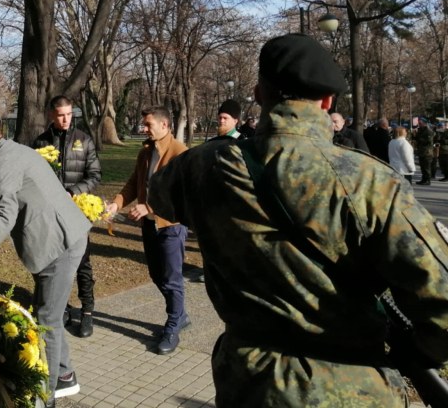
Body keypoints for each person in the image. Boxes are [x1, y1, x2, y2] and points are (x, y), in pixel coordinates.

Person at [149, 33, 448, 407]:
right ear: (327, 101)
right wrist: (418, 355)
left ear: (259, 94)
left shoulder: (201, 166)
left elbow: (158, 196)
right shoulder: (370, 181)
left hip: (247, 382)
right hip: (353, 386)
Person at [0, 112, 91, 408]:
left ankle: (46, 397)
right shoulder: (14, 151)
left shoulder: (5, 163)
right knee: (47, 310)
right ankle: (64, 374)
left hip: (60, 245)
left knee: (47, 320)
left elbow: (5, 217)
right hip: (60, 238)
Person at [106, 106, 190, 356]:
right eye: (144, 124)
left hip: (171, 225)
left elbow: (181, 193)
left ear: (165, 126)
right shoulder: (145, 151)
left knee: (172, 278)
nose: (144, 128)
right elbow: (134, 183)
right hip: (149, 225)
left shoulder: (180, 153)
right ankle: (180, 313)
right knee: (156, 275)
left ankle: (173, 324)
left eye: (148, 125)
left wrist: (149, 207)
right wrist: (117, 202)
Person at [33, 95, 101, 338]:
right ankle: (57, 308)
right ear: (52, 114)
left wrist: (73, 192)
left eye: (69, 114)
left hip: (77, 213)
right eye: (61, 114)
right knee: (49, 261)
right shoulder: (40, 143)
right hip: (49, 216)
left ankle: (88, 312)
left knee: (82, 263)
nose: (65, 119)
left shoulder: (84, 140)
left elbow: (94, 175)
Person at [415, 118, 436, 185]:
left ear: (424, 123)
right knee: (422, 167)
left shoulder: (429, 131)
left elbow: (429, 141)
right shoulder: (420, 130)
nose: (419, 124)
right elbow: (417, 138)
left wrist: (420, 139)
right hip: (421, 151)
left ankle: (428, 180)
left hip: (427, 152)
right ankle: (423, 179)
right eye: (419, 123)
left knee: (427, 167)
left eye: (420, 123)